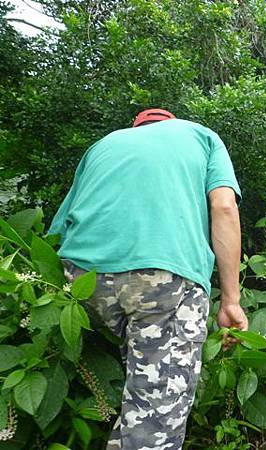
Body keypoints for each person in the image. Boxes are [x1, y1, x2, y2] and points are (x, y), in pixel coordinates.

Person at [48, 108, 249, 450]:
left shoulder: (105, 144)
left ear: (136, 126)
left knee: (144, 383)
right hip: (162, 278)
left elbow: (58, 229)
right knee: (157, 411)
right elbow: (224, 208)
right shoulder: (202, 136)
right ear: (171, 123)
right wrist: (231, 300)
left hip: (82, 278)